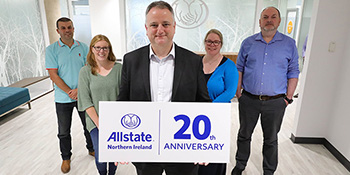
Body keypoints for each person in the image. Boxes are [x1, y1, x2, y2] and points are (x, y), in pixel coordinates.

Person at [117, 1, 211, 175]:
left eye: (166, 24)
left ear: (174, 27)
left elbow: (203, 103)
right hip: (145, 149)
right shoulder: (130, 60)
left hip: (183, 150)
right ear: (146, 28)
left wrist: (204, 146)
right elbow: (123, 102)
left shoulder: (193, 61)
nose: (160, 30)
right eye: (154, 25)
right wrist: (120, 146)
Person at [231, 7, 299, 175]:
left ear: (279, 20)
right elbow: (239, 68)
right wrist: (239, 93)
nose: (269, 20)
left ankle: (268, 171)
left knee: (271, 139)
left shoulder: (289, 44)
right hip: (249, 99)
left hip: (276, 102)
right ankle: (240, 165)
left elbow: (293, 72)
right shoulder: (248, 43)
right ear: (260, 21)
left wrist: (288, 98)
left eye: (273, 17)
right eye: (265, 17)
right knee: (244, 135)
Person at [45, 17, 94, 174]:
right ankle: (66, 158)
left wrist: (79, 90)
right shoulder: (51, 50)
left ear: (73, 28)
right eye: (63, 28)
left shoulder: (84, 47)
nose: (67, 30)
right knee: (64, 131)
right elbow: (54, 75)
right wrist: (69, 92)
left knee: (88, 126)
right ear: (58, 31)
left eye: (69, 27)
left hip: (83, 95)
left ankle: (92, 148)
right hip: (62, 98)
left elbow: (89, 71)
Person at [78, 35, 122, 175]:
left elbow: (125, 95)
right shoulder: (85, 72)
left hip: (116, 120)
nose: (101, 51)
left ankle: (112, 173)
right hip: (95, 120)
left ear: (109, 49)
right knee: (101, 156)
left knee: (114, 153)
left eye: (105, 47)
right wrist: (99, 123)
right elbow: (85, 101)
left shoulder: (119, 69)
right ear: (92, 49)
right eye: (98, 48)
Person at [198, 29, 239, 175]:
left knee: (212, 153)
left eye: (216, 42)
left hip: (217, 116)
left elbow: (230, 92)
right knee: (197, 152)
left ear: (221, 44)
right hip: (196, 116)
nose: (212, 44)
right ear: (205, 43)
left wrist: (210, 108)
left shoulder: (229, 66)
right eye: (209, 41)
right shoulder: (197, 63)